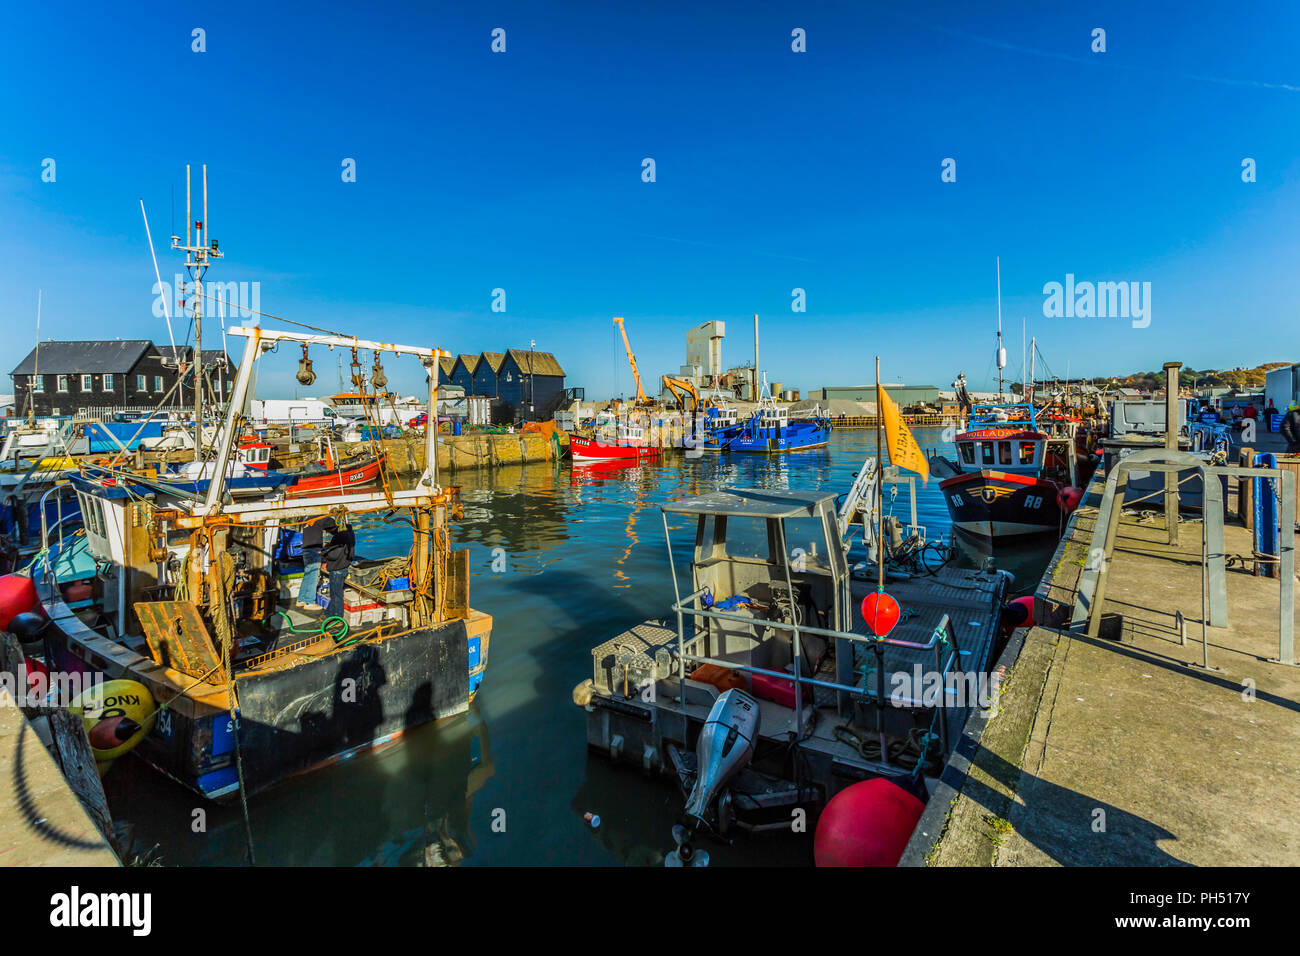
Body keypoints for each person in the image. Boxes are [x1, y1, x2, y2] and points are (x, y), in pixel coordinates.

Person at [296, 515, 336, 609]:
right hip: (313, 550)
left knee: (308, 575)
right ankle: (309, 602)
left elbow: (312, 534)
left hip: (306, 549)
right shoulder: (321, 517)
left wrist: (322, 544)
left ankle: (301, 600)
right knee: (313, 576)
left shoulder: (307, 518)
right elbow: (332, 525)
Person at [323, 519, 356, 620]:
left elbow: (334, 554)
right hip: (344, 566)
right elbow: (342, 550)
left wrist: (324, 552)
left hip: (337, 568)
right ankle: (329, 613)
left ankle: (337, 616)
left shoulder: (339, 537)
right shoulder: (349, 533)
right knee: (335, 593)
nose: (329, 533)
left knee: (336, 594)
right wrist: (330, 546)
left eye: (328, 531)